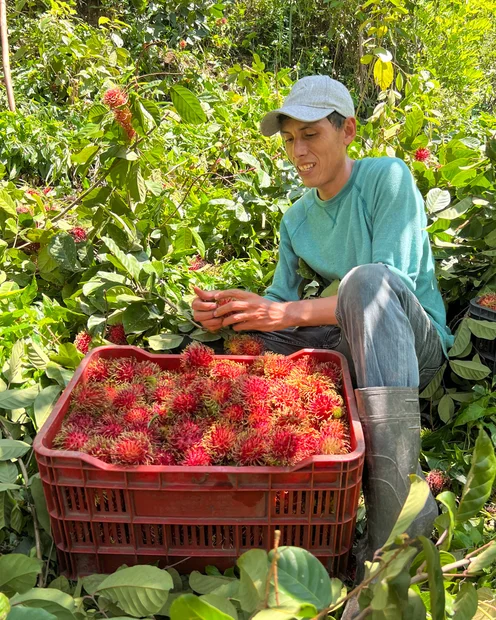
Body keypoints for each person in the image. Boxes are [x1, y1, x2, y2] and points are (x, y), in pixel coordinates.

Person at [191, 75, 453, 583]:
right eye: (289, 139)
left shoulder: (388, 179)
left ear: (348, 130)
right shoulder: (295, 220)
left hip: (413, 345)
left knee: (365, 281)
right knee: (249, 331)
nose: (298, 150)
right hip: (350, 341)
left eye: (310, 134)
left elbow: (386, 283)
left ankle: (401, 526)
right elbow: (280, 308)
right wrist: (230, 310)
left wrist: (286, 314)